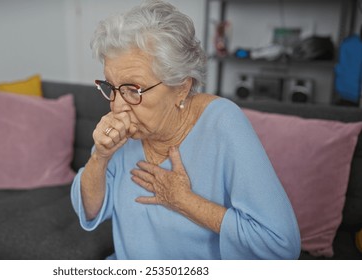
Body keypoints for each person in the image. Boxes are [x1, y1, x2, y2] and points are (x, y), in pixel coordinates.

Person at [71, 0, 301, 260]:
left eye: (133, 89)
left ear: (181, 86)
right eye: (111, 87)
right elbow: (87, 211)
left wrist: (183, 200)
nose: (117, 106)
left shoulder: (223, 123)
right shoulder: (121, 132)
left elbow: (280, 246)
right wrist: (99, 157)